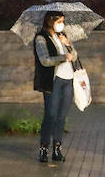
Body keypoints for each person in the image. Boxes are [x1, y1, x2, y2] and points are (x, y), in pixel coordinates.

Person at [32, 11, 78, 163]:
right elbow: (45, 60)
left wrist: (68, 45)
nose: (62, 24)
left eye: (63, 21)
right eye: (59, 21)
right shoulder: (41, 38)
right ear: (51, 21)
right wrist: (64, 57)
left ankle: (57, 149)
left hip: (68, 80)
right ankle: (44, 149)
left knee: (61, 117)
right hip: (54, 81)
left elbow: (75, 56)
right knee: (50, 116)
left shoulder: (63, 36)